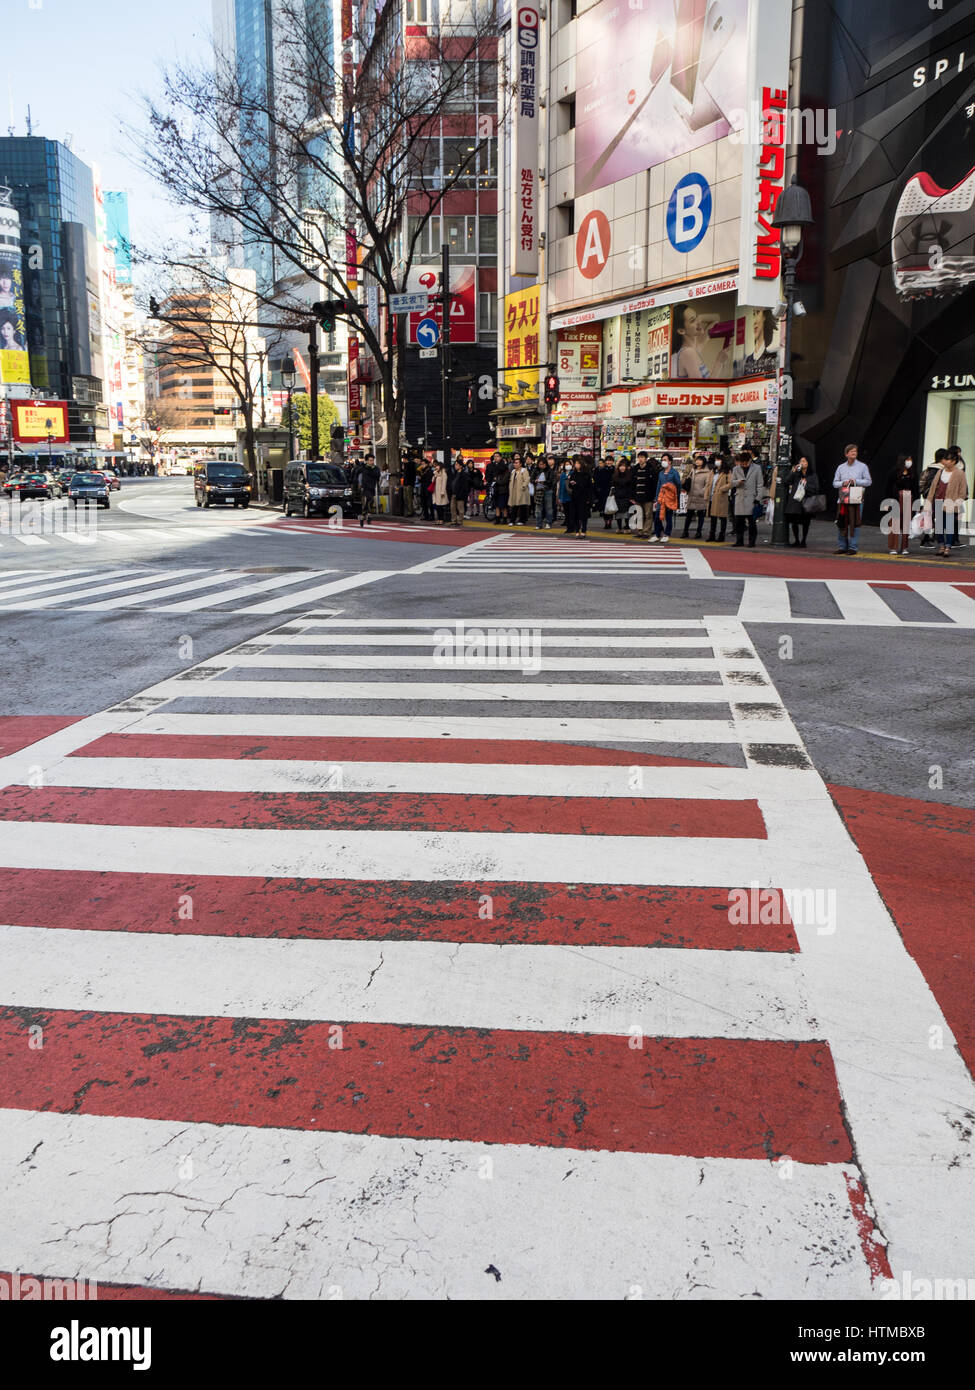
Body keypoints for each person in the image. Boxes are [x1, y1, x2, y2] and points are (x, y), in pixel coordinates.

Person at [925, 452, 968, 556]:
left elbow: (963, 491)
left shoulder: (960, 473)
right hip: (938, 501)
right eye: (944, 459)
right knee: (939, 526)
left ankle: (947, 547)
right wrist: (928, 502)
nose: (945, 461)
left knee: (949, 527)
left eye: (947, 459)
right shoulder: (940, 472)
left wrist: (957, 503)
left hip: (951, 503)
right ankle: (941, 546)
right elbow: (933, 488)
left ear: (953, 461)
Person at [832, 443, 872, 554]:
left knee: (855, 522)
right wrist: (843, 483)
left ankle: (853, 547)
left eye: (855, 451)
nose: (854, 453)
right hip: (843, 498)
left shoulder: (862, 466)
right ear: (846, 454)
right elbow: (834, 483)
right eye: (851, 451)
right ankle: (842, 546)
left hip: (856, 497)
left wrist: (856, 481)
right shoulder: (841, 467)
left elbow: (869, 481)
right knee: (841, 521)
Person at [884, 453, 918, 555]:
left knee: (906, 524)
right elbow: (888, 488)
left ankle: (904, 547)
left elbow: (916, 489)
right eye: (908, 459)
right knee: (894, 523)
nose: (909, 462)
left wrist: (916, 504)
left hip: (909, 499)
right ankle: (893, 547)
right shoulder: (894, 472)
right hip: (896, 499)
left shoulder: (912, 473)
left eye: (910, 460)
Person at [784, 456, 820, 547]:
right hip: (796, 501)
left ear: (808, 463)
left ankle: (803, 540)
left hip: (806, 500)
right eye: (800, 461)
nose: (801, 462)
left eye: (804, 461)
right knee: (794, 521)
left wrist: (806, 484)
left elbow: (816, 488)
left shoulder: (812, 475)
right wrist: (793, 471)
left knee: (805, 522)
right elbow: (787, 481)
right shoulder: (796, 473)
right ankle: (796, 540)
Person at [731, 449, 763, 547]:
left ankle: (751, 541)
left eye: (746, 463)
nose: (744, 465)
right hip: (739, 497)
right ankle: (739, 541)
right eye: (742, 464)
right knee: (739, 522)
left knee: (752, 522)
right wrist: (738, 482)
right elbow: (732, 483)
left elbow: (760, 484)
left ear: (750, 461)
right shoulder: (736, 469)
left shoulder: (757, 468)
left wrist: (758, 497)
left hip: (751, 498)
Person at [650, 453, 681, 543]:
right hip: (661, 497)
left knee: (668, 517)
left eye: (665, 460)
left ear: (670, 461)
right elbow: (658, 486)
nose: (663, 462)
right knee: (657, 517)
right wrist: (656, 499)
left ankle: (667, 534)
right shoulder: (661, 473)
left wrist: (675, 497)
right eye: (662, 460)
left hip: (670, 498)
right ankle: (657, 534)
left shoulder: (674, 473)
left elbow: (678, 485)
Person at [682, 453, 711, 539]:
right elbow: (686, 478)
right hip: (691, 495)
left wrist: (701, 492)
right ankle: (685, 531)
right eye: (697, 460)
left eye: (700, 460)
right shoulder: (692, 470)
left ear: (704, 462)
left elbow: (707, 485)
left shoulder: (707, 473)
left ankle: (699, 532)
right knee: (689, 515)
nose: (698, 462)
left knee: (700, 515)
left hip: (700, 496)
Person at [632, 450, 658, 537]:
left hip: (648, 496)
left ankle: (647, 531)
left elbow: (654, 484)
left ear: (646, 459)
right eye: (639, 457)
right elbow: (632, 483)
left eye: (642, 457)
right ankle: (640, 531)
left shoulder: (651, 469)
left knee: (648, 514)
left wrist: (653, 495)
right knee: (639, 514)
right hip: (638, 495)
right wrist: (632, 495)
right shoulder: (635, 469)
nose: (640, 459)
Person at [566, 456, 593, 537]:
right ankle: (577, 530)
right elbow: (570, 486)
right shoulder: (573, 474)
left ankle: (584, 530)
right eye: (575, 463)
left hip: (584, 496)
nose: (576, 465)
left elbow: (588, 486)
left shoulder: (586, 474)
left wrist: (589, 498)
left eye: (578, 463)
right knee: (576, 514)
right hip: (575, 496)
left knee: (584, 515)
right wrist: (571, 483)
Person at [707, 459, 732, 542]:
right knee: (713, 517)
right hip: (712, 496)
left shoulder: (727, 471)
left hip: (721, 496)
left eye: (719, 460)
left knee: (722, 517)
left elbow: (730, 483)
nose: (717, 461)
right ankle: (712, 534)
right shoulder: (713, 471)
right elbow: (709, 483)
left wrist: (722, 489)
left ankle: (721, 535)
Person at [609, 458, 635, 532]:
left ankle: (627, 527)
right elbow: (612, 485)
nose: (622, 468)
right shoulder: (615, 475)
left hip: (626, 497)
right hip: (617, 497)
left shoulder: (629, 476)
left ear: (626, 467)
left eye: (624, 466)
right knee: (618, 513)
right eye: (620, 466)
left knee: (627, 513)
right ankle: (619, 527)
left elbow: (631, 487)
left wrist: (631, 497)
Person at [532, 454, 557, 529]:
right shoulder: (536, 470)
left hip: (547, 490)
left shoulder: (549, 470)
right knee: (538, 508)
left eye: (542, 464)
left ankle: (548, 523)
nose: (540, 466)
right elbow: (531, 479)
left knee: (548, 508)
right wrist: (535, 481)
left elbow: (551, 481)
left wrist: (543, 482)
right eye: (539, 464)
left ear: (545, 464)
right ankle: (538, 524)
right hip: (538, 491)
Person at [355, 453, 380, 527]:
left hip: (372, 486)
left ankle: (363, 515)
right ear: (366, 461)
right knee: (370, 499)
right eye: (370, 460)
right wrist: (358, 484)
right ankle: (368, 515)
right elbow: (357, 475)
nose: (372, 462)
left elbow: (377, 476)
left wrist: (373, 471)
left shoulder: (375, 468)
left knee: (370, 502)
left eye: (372, 460)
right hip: (365, 487)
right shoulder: (362, 468)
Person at [507, 453, 531, 523]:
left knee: (522, 506)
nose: (515, 464)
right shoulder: (513, 471)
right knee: (514, 506)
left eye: (517, 463)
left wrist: (523, 486)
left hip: (522, 491)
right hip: (514, 491)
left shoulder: (524, 470)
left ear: (520, 464)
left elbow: (526, 480)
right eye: (514, 463)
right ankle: (512, 520)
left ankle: (522, 520)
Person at [449, 458, 471, 526]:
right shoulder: (455, 473)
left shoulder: (464, 474)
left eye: (457, 464)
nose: (455, 466)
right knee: (452, 508)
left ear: (461, 466)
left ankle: (460, 522)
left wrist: (461, 494)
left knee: (460, 509)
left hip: (460, 494)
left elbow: (464, 486)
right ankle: (454, 521)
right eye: (455, 464)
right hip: (453, 493)